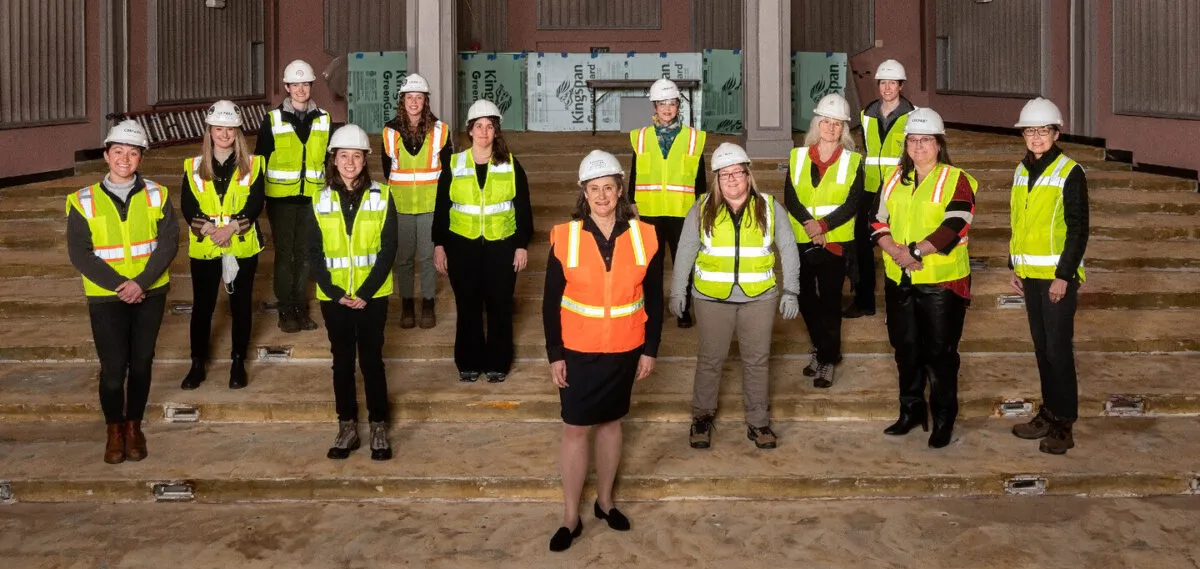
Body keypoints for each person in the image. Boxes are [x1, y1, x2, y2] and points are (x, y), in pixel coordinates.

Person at [542, 150, 663, 552]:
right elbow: (549, 302)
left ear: (619, 189)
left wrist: (651, 348)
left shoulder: (646, 234)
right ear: (584, 193)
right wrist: (554, 354)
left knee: (611, 423)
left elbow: (654, 298)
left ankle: (605, 502)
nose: (602, 195)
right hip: (577, 349)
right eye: (594, 189)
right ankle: (570, 518)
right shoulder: (565, 235)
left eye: (608, 187)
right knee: (576, 428)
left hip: (625, 347)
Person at [671, 143, 800, 450]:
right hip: (711, 298)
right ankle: (701, 418)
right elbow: (686, 250)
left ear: (748, 174)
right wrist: (679, 290)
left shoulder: (769, 207)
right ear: (716, 179)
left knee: (756, 360)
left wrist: (791, 289)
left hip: (759, 297)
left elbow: (789, 248)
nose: (731, 180)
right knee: (710, 360)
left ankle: (758, 422)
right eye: (724, 175)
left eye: (737, 173)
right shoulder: (702, 208)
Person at [65, 120, 179, 464]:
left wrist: (140, 283)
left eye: (132, 153)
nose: (125, 159)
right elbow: (79, 253)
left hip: (150, 293)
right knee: (114, 368)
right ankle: (114, 428)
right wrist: (122, 285)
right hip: (106, 296)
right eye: (118, 152)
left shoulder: (158, 194)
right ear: (106, 155)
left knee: (142, 364)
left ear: (140, 157)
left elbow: (169, 242)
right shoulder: (82, 200)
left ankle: (133, 426)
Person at [870, 107, 978, 449]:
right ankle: (911, 410)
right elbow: (875, 221)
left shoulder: (956, 178)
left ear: (939, 143)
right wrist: (895, 251)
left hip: (942, 283)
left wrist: (915, 252)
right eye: (913, 141)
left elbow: (955, 224)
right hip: (899, 279)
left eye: (925, 140)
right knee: (906, 349)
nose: (918, 147)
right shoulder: (893, 179)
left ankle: (943, 419)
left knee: (939, 354)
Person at [307, 124, 398, 460]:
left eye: (355, 156)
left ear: (365, 160)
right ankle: (346, 427)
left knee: (372, 360)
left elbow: (389, 248)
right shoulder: (319, 199)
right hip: (334, 297)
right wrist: (333, 291)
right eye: (343, 155)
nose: (349, 162)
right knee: (342, 362)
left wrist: (366, 290)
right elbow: (314, 252)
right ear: (334, 160)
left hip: (372, 296)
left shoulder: (383, 195)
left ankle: (378, 428)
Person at [1007, 98, 1089, 455]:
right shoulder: (1021, 170)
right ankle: (1049, 411)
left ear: (1056, 133)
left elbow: (1078, 229)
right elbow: (1020, 221)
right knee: (1042, 350)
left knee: (1058, 350)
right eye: (1030, 131)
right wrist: (1016, 266)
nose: (1036, 137)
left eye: (1043, 131)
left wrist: (1064, 276)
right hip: (1031, 275)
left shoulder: (1070, 171)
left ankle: (1064, 424)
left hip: (1058, 277)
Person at [432, 99, 534, 383]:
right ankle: (468, 362)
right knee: (468, 306)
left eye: (490, 127)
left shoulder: (512, 165)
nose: (484, 132)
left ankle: (498, 363)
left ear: (496, 131)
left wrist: (521, 245)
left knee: (500, 305)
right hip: (462, 246)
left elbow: (523, 210)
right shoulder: (454, 164)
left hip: (501, 246)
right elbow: (442, 208)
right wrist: (439, 245)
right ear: (470, 130)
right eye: (479, 126)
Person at [179, 100, 265, 391]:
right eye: (219, 129)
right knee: (202, 307)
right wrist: (210, 230)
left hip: (240, 245)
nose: (224, 134)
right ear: (210, 131)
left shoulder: (252, 165)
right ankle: (197, 363)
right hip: (206, 246)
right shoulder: (193, 166)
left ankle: (238, 361)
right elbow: (188, 206)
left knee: (241, 307)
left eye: (230, 129)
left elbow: (255, 203)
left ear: (238, 132)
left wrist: (230, 228)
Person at [783, 94, 865, 388]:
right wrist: (811, 226)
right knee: (805, 297)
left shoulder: (853, 161)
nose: (831, 128)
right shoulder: (798, 156)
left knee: (830, 302)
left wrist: (823, 226)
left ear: (843, 128)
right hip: (802, 239)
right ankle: (824, 348)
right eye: (826, 122)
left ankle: (827, 359)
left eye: (837, 124)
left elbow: (853, 203)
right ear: (817, 124)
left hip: (834, 242)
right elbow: (790, 197)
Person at [256, 59, 331, 333]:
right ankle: (286, 309)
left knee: (306, 254)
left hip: (312, 198)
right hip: (281, 201)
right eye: (295, 84)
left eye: (305, 84)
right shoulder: (272, 120)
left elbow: (328, 161)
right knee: (286, 255)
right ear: (287, 87)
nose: (300, 89)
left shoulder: (323, 119)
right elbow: (260, 162)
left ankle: (300, 307)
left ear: (312, 85)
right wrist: (258, 200)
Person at [627, 78, 707, 328]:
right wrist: (631, 203)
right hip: (649, 211)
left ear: (678, 106)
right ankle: (653, 310)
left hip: (683, 211)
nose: (667, 108)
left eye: (671, 103)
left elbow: (700, 179)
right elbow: (635, 173)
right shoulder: (639, 137)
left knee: (684, 263)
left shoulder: (694, 138)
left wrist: (701, 207)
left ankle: (682, 309)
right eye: (662, 103)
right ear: (654, 106)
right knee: (653, 264)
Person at [382, 73, 452, 329]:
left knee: (427, 257)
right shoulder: (389, 131)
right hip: (400, 207)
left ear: (426, 101)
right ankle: (407, 306)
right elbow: (387, 170)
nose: (414, 102)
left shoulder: (441, 130)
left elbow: (447, 173)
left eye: (418, 97)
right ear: (402, 100)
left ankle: (428, 304)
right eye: (409, 97)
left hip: (430, 206)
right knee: (403, 259)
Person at [848, 59, 915, 319]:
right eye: (883, 83)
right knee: (861, 242)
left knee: (898, 242)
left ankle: (900, 301)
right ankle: (864, 300)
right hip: (870, 187)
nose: (887, 87)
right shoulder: (867, 114)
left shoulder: (913, 115)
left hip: (899, 189)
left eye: (892, 83)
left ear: (900, 85)